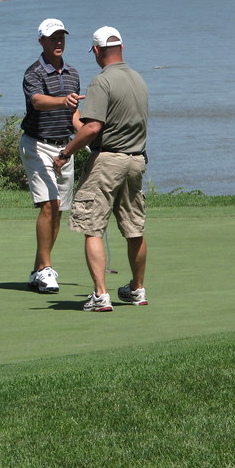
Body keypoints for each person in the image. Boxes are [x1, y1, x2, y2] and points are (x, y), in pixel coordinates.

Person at [53, 26, 149, 312]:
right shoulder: (138, 79)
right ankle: (137, 289)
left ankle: (100, 295)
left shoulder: (101, 82)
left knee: (92, 227)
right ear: (122, 46)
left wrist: (66, 151)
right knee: (134, 229)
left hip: (108, 161)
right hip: (136, 160)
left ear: (96, 51)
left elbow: (93, 127)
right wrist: (80, 124)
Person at [19, 18, 85, 294]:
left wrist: (88, 135)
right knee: (49, 204)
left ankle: (38, 270)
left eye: (61, 37)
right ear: (41, 41)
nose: (58, 42)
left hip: (63, 148)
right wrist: (63, 100)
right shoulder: (33, 73)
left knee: (57, 210)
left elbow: (75, 118)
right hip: (36, 145)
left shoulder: (73, 73)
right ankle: (47, 269)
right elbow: (37, 101)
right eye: (53, 38)